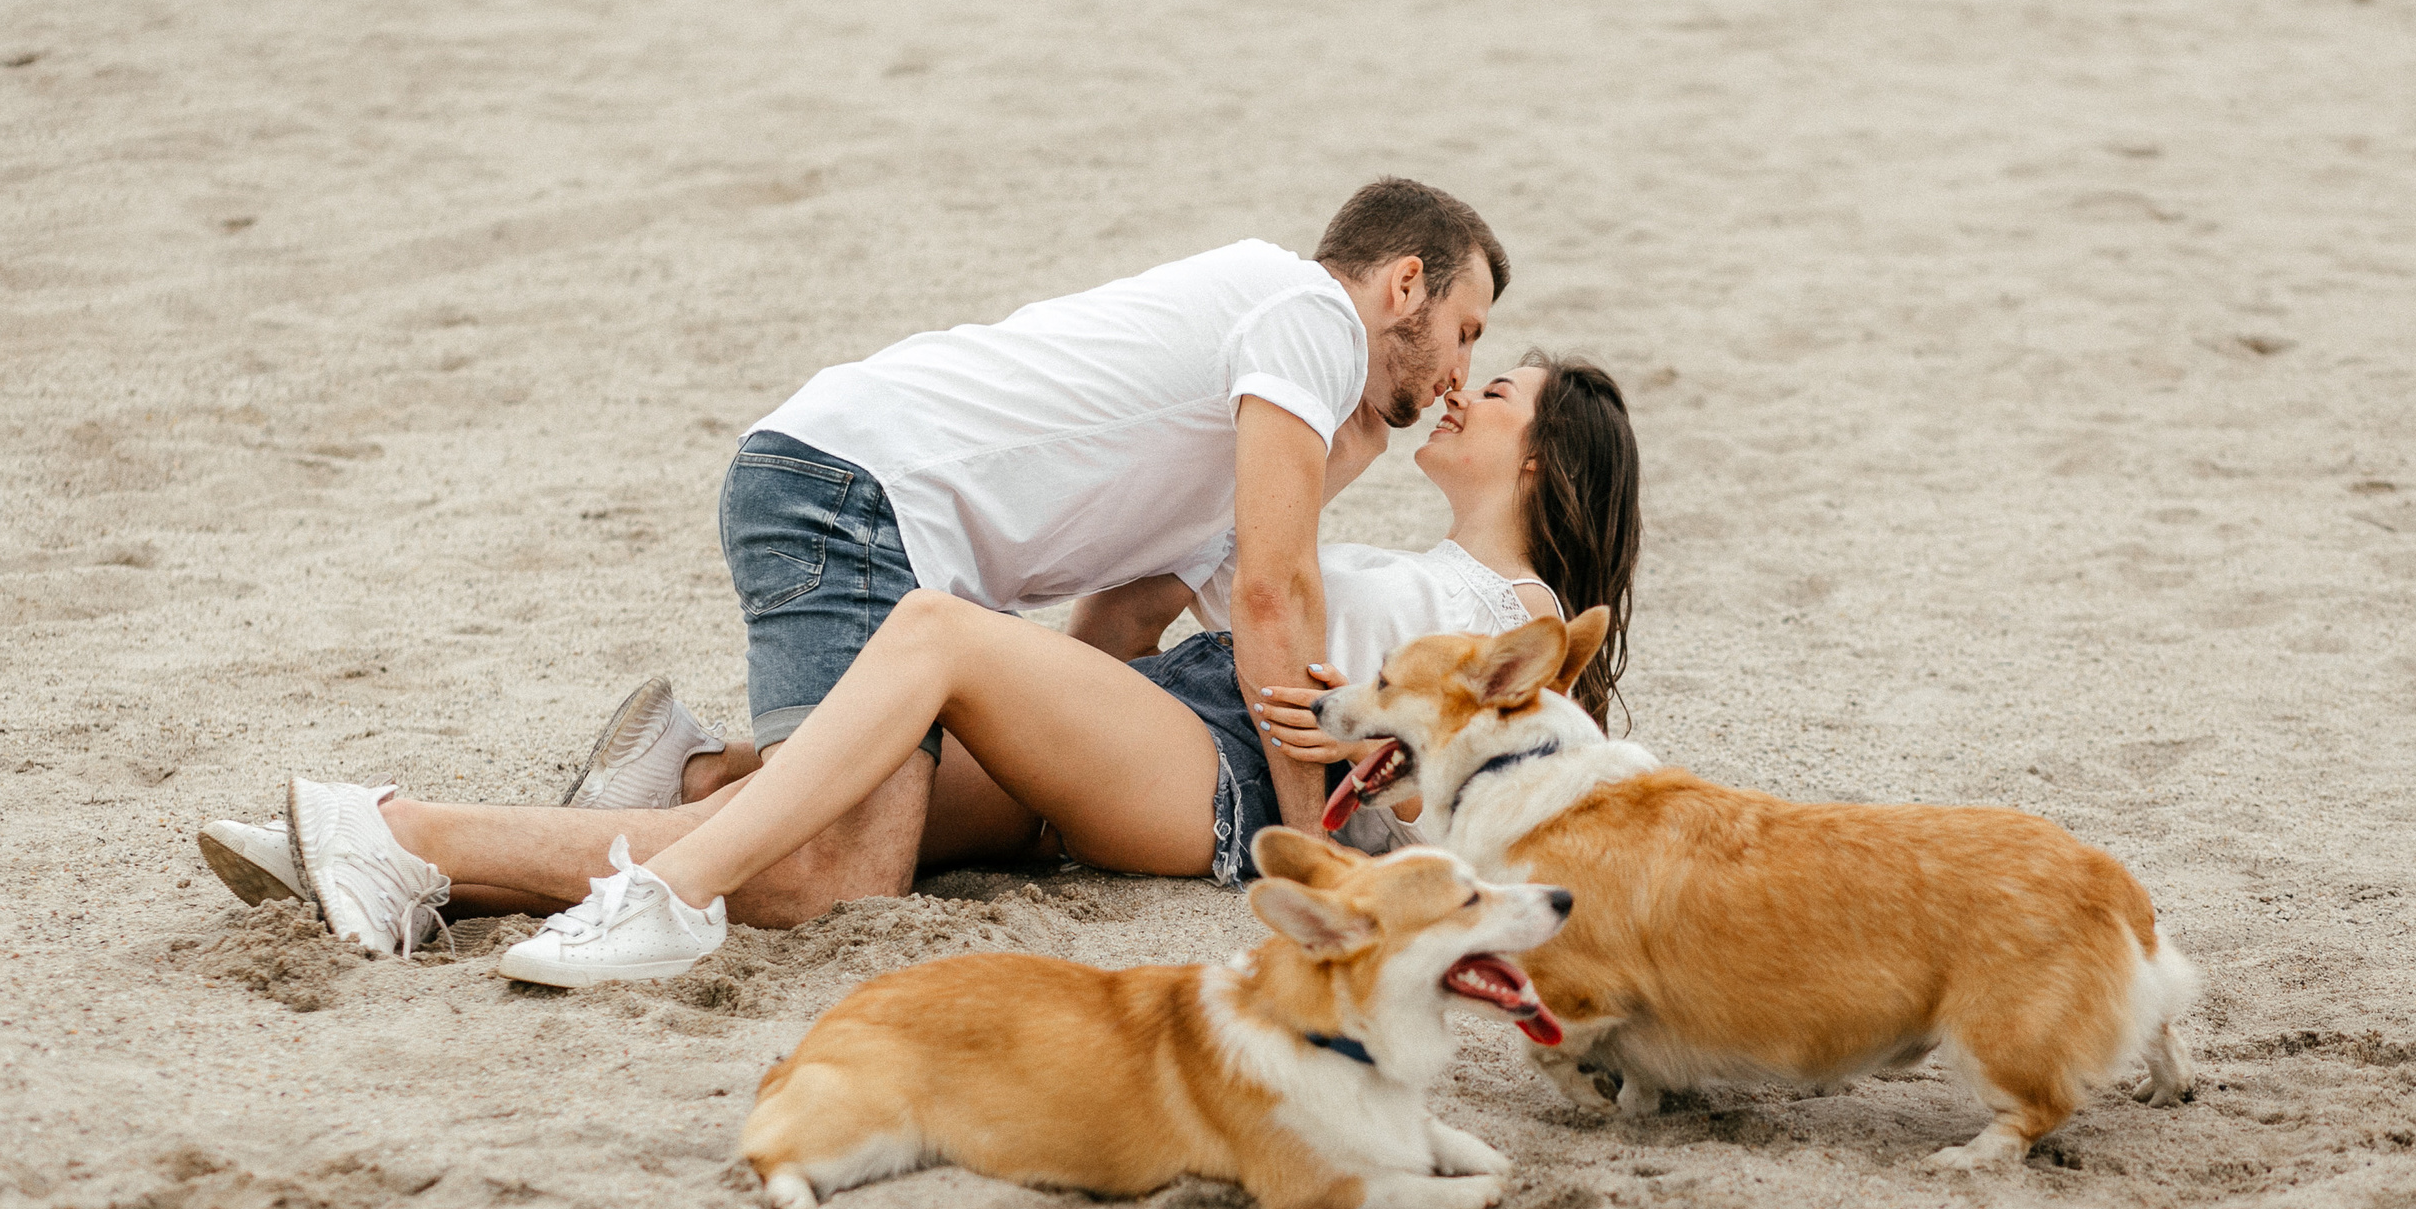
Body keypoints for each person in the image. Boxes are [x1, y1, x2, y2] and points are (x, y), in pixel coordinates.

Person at [231, 178, 1505, 954]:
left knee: (831, 836)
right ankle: (397, 834)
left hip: (852, 495)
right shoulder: (1305, 320)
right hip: (857, 505)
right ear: (1401, 283)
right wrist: (1310, 849)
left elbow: (1124, 622)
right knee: (824, 879)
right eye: (1462, 330)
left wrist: (1052, 781)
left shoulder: (1257, 400)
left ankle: (684, 774)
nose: (1456, 371)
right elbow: (1279, 597)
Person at [203, 355, 1645, 985]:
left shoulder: (1513, 603)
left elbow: (1545, 762)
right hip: (1150, 731)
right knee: (809, 858)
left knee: (940, 633)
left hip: (1212, 782)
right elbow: (1140, 615)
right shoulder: (1386, 543)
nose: (1466, 384)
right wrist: (1047, 718)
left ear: (1547, 461)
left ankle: (676, 802)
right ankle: (393, 840)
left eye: (1498, 387)